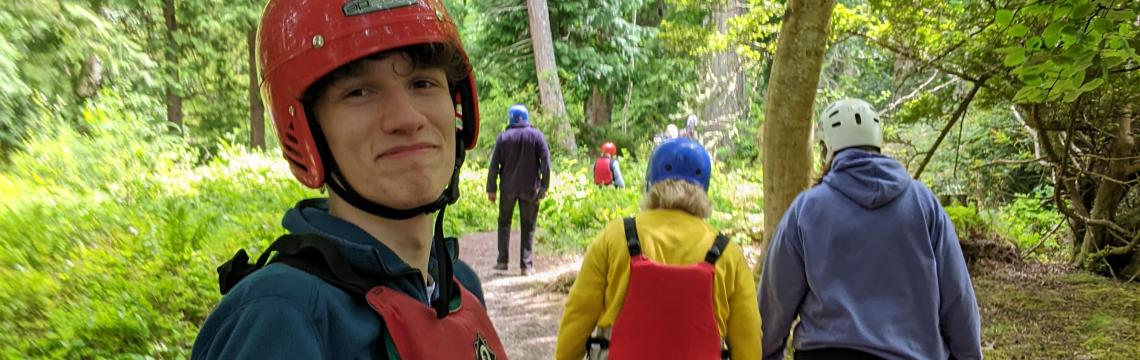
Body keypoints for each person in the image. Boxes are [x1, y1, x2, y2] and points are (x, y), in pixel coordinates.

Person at [192, 1, 506, 359]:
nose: (407, 118)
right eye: (359, 92)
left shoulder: (459, 287)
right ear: (308, 130)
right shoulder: (282, 317)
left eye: (423, 83)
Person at [757, 98, 981, 360]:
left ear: (825, 149)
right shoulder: (923, 205)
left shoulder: (807, 210)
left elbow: (774, 303)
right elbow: (959, 300)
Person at [556, 138, 762, 360]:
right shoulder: (728, 253)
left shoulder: (616, 237)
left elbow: (578, 314)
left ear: (650, 182)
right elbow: (747, 337)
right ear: (704, 189)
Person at [486, 104, 551, 276]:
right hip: (530, 189)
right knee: (528, 226)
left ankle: (502, 261)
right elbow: (546, 164)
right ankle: (526, 266)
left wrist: (491, 189)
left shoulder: (504, 137)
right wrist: (544, 186)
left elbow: (494, 166)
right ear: (527, 118)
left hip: (508, 188)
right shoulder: (537, 136)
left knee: (504, 222)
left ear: (510, 118)